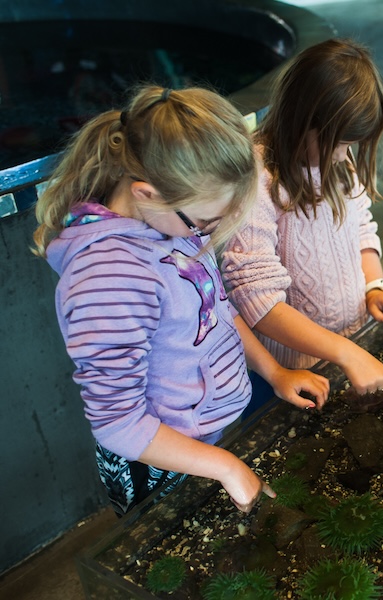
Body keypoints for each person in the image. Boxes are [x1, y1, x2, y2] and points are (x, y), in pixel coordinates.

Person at [33, 86, 330, 516]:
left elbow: (216, 311)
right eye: (208, 219)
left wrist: (274, 371)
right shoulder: (108, 278)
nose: (216, 230)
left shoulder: (177, 226)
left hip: (213, 437)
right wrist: (224, 466)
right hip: (161, 465)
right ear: (145, 192)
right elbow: (118, 423)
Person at [221, 39, 383, 415]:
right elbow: (257, 299)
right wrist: (346, 353)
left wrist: (375, 285)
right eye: (339, 143)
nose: (344, 155)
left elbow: (361, 227)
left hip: (350, 342)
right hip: (290, 370)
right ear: (303, 120)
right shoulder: (257, 182)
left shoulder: (339, 162)